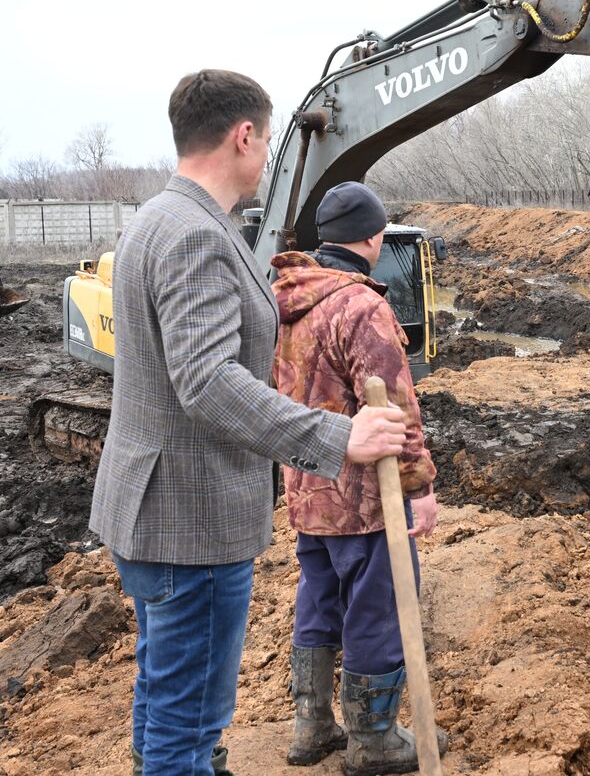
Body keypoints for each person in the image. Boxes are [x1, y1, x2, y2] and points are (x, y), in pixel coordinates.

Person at [89, 70, 408, 776]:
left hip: (150, 508)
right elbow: (206, 381)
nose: (267, 156)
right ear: (243, 136)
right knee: (186, 728)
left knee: (164, 706)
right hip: (189, 520)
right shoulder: (196, 235)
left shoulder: (155, 220)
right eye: (265, 140)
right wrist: (337, 435)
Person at [270, 182, 447, 773]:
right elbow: (395, 410)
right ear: (372, 237)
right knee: (377, 608)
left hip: (305, 490)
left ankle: (312, 725)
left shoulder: (285, 300)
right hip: (366, 500)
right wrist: (419, 488)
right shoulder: (362, 307)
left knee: (319, 599)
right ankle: (372, 740)